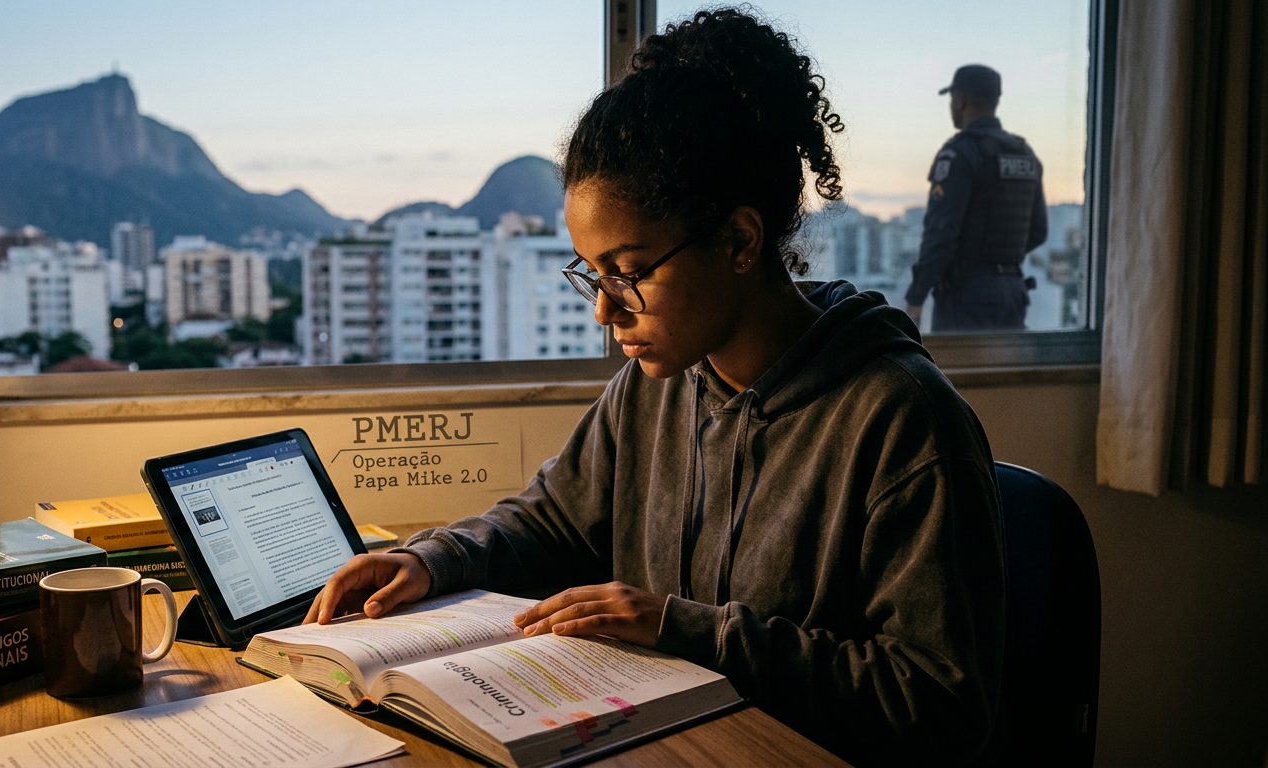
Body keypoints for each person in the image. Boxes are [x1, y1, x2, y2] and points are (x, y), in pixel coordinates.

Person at [306, 10, 1006, 766]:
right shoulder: (660, 383)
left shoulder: (902, 420)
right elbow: (553, 523)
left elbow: (936, 704)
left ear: (739, 240)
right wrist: (432, 559)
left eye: (629, 273)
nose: (606, 311)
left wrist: (685, 628)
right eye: (592, 275)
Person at [905, 64, 1048, 331]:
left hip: (966, 298)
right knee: (1005, 373)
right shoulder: (1024, 154)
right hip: (1014, 292)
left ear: (960, 100)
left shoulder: (960, 154)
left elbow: (940, 234)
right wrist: (998, 261)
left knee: (957, 374)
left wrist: (916, 298)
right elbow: (1038, 232)